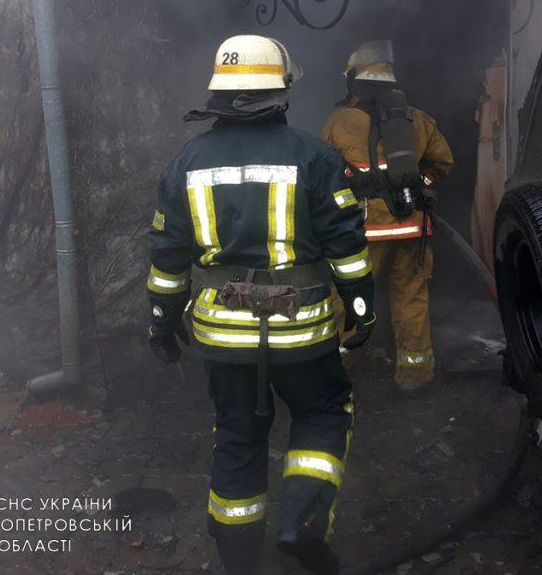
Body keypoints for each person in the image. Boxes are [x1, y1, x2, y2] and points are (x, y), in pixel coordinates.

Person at [145, 34, 376, 575]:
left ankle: (238, 555)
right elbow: (346, 245)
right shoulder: (313, 156)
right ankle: (303, 524)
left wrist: (161, 320)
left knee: (238, 432)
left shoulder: (186, 162)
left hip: (224, 338)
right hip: (302, 332)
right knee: (322, 414)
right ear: (281, 89)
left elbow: (167, 255)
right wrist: (362, 308)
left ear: (219, 93)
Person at [321, 40, 453, 391]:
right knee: (411, 297)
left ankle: (336, 370)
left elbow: (322, 173)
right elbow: (442, 162)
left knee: (347, 296)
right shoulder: (418, 118)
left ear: (353, 82)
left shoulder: (339, 122)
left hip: (364, 229)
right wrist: (421, 186)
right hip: (412, 227)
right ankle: (415, 376)